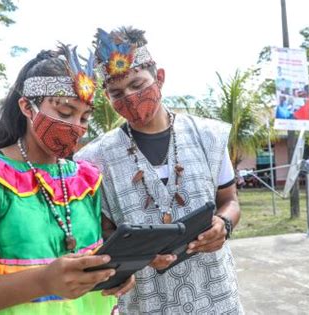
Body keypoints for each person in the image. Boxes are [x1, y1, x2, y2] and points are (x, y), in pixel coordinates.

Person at [0, 46, 134, 315]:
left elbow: (91, 263)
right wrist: (42, 281)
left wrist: (113, 274)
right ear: (27, 106)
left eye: (84, 117)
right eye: (64, 112)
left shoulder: (86, 180)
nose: (76, 126)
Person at [75, 27, 243, 314]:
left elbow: (229, 200)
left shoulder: (208, 136)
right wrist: (136, 256)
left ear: (160, 78)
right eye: (117, 92)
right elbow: (102, 232)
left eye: (138, 84)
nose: (129, 97)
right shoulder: (93, 158)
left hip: (216, 296)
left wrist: (223, 225)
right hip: (145, 302)